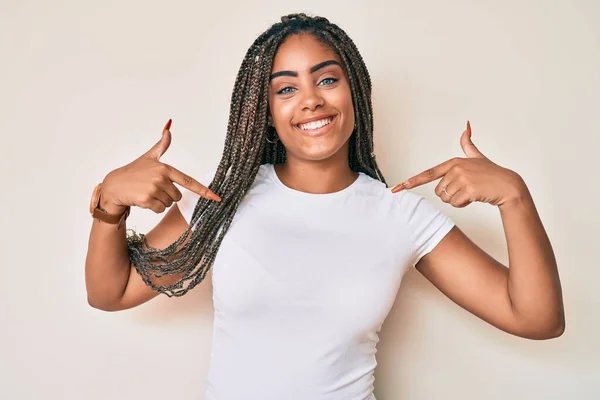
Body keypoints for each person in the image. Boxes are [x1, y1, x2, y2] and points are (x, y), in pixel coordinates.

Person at [85, 13, 565, 400]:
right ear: (267, 112)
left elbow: (536, 318)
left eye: (327, 79)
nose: (310, 101)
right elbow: (112, 292)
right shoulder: (221, 202)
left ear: (354, 91)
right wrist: (109, 202)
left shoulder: (397, 215)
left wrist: (515, 198)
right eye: (287, 88)